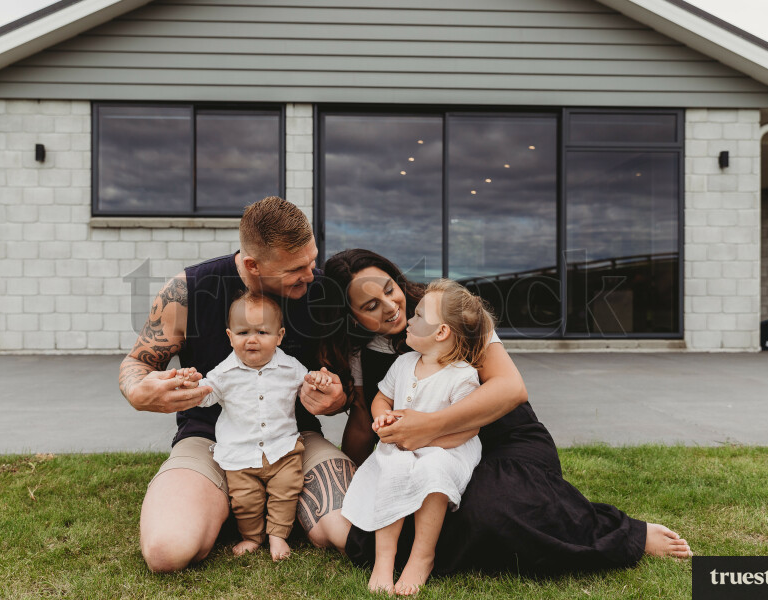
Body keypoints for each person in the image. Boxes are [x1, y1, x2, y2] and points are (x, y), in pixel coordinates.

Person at [316, 249, 692, 577]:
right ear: (352, 317)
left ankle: (626, 533)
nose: (390, 306)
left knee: (490, 510)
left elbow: (511, 388)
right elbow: (366, 419)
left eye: (388, 289)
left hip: (503, 442)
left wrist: (429, 427)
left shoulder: (450, 309)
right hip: (427, 458)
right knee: (388, 519)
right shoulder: (364, 351)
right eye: (370, 306)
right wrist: (362, 473)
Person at [118, 196, 353, 572]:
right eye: (296, 268)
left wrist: (338, 397)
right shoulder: (187, 291)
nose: (310, 274)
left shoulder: (322, 293)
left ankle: (247, 506)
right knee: (167, 552)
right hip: (208, 440)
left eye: (312, 259)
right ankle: (228, 502)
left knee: (347, 531)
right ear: (251, 265)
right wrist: (137, 391)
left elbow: (347, 386)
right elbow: (137, 363)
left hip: (293, 441)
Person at [342, 279, 494, 595]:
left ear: (440, 333)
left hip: (447, 449)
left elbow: (468, 428)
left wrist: (427, 442)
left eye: (419, 316)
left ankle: (421, 557)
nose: (409, 319)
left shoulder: (462, 375)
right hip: (402, 446)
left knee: (433, 469)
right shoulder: (404, 364)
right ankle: (385, 560)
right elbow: (381, 397)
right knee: (395, 467)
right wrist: (382, 414)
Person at [174, 291, 321, 561]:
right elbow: (206, 396)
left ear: (279, 336)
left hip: (282, 449)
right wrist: (191, 386)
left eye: (263, 332)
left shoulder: (290, 367)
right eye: (243, 333)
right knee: (245, 501)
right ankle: (252, 536)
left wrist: (319, 382)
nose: (252, 339)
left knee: (287, 490)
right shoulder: (224, 373)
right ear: (230, 337)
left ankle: (278, 535)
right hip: (240, 455)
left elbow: (309, 382)